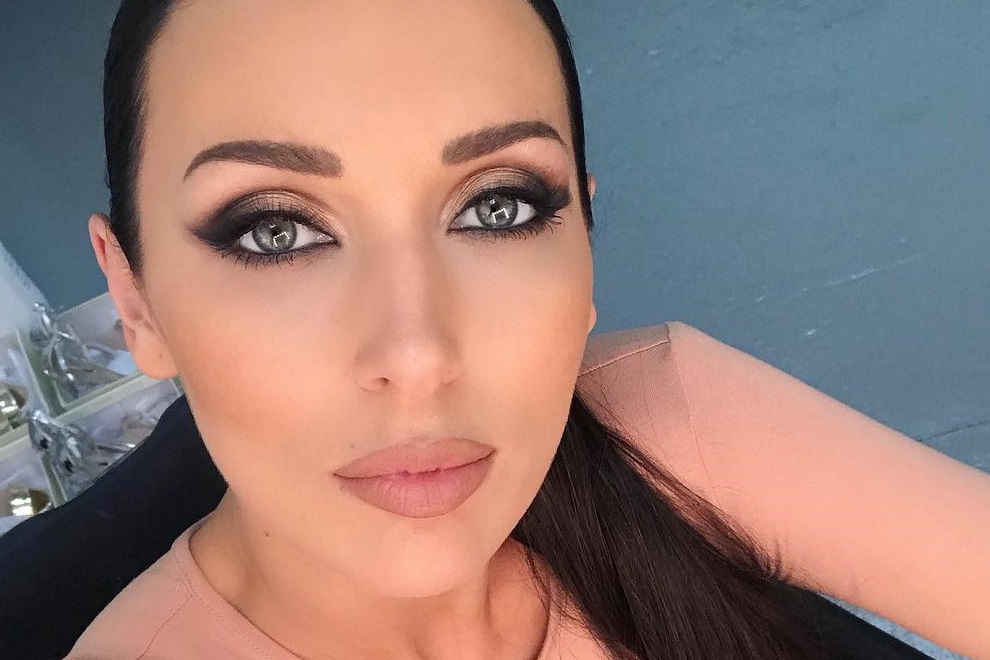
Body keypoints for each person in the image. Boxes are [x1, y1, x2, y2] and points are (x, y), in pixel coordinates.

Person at [64, 0, 989, 658]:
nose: (418, 356)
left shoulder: (669, 422)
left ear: (583, 239)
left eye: (497, 208)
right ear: (135, 300)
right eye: (275, 230)